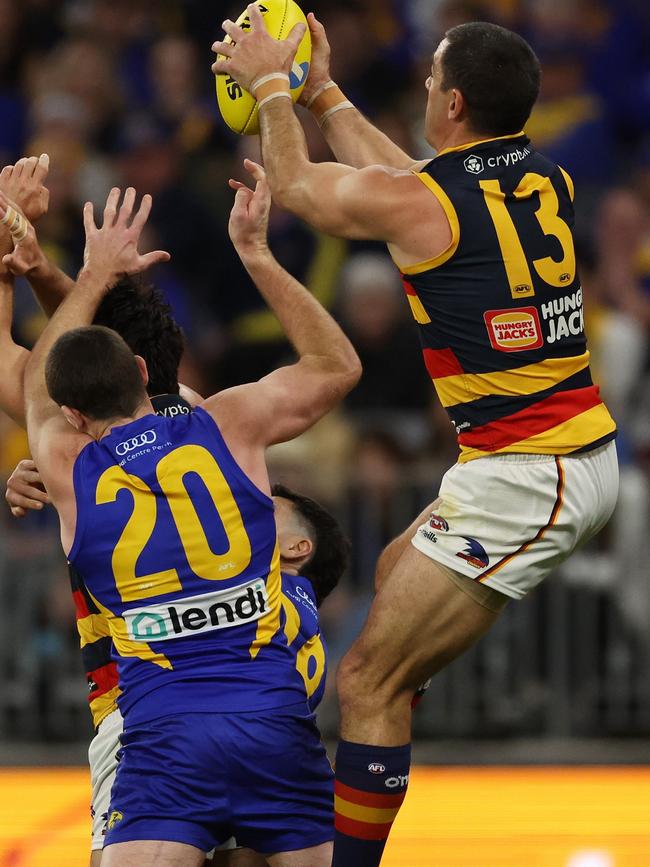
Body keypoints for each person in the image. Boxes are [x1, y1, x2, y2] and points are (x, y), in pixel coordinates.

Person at [213, 12, 619, 865]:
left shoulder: (425, 199)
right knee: (393, 582)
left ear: (454, 102)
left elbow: (300, 190)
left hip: (530, 472)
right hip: (539, 457)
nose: (425, 90)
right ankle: (380, 736)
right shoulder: (545, 178)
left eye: (433, 82)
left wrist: (271, 89)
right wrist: (323, 88)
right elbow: (407, 180)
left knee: (363, 677)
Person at [7, 160, 360, 866]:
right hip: (274, 725)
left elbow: (40, 378)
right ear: (145, 372)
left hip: (151, 727)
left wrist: (62, 268)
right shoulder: (225, 421)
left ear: (73, 414)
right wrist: (255, 251)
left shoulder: (68, 461)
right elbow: (335, 365)